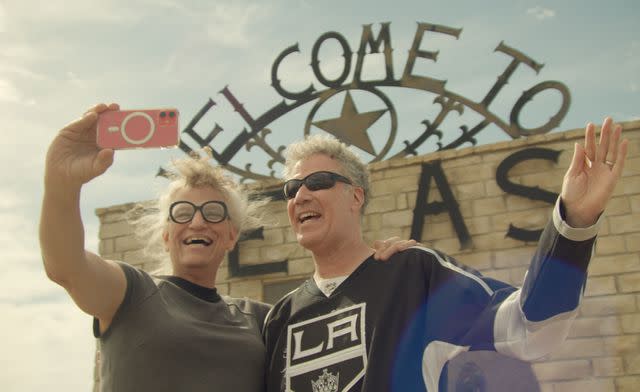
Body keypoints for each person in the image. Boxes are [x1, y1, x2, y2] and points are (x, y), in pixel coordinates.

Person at [39, 103, 415, 392]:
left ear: (232, 236)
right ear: (167, 233)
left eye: (213, 212)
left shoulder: (265, 319)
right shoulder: (130, 292)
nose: (198, 222)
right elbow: (65, 265)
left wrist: (386, 263)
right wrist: (61, 185)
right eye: (183, 212)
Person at [262, 117, 628, 392]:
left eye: (318, 183)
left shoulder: (413, 275)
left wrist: (574, 224)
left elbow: (529, 328)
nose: (301, 196)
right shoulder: (281, 317)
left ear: (356, 197)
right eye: (291, 189)